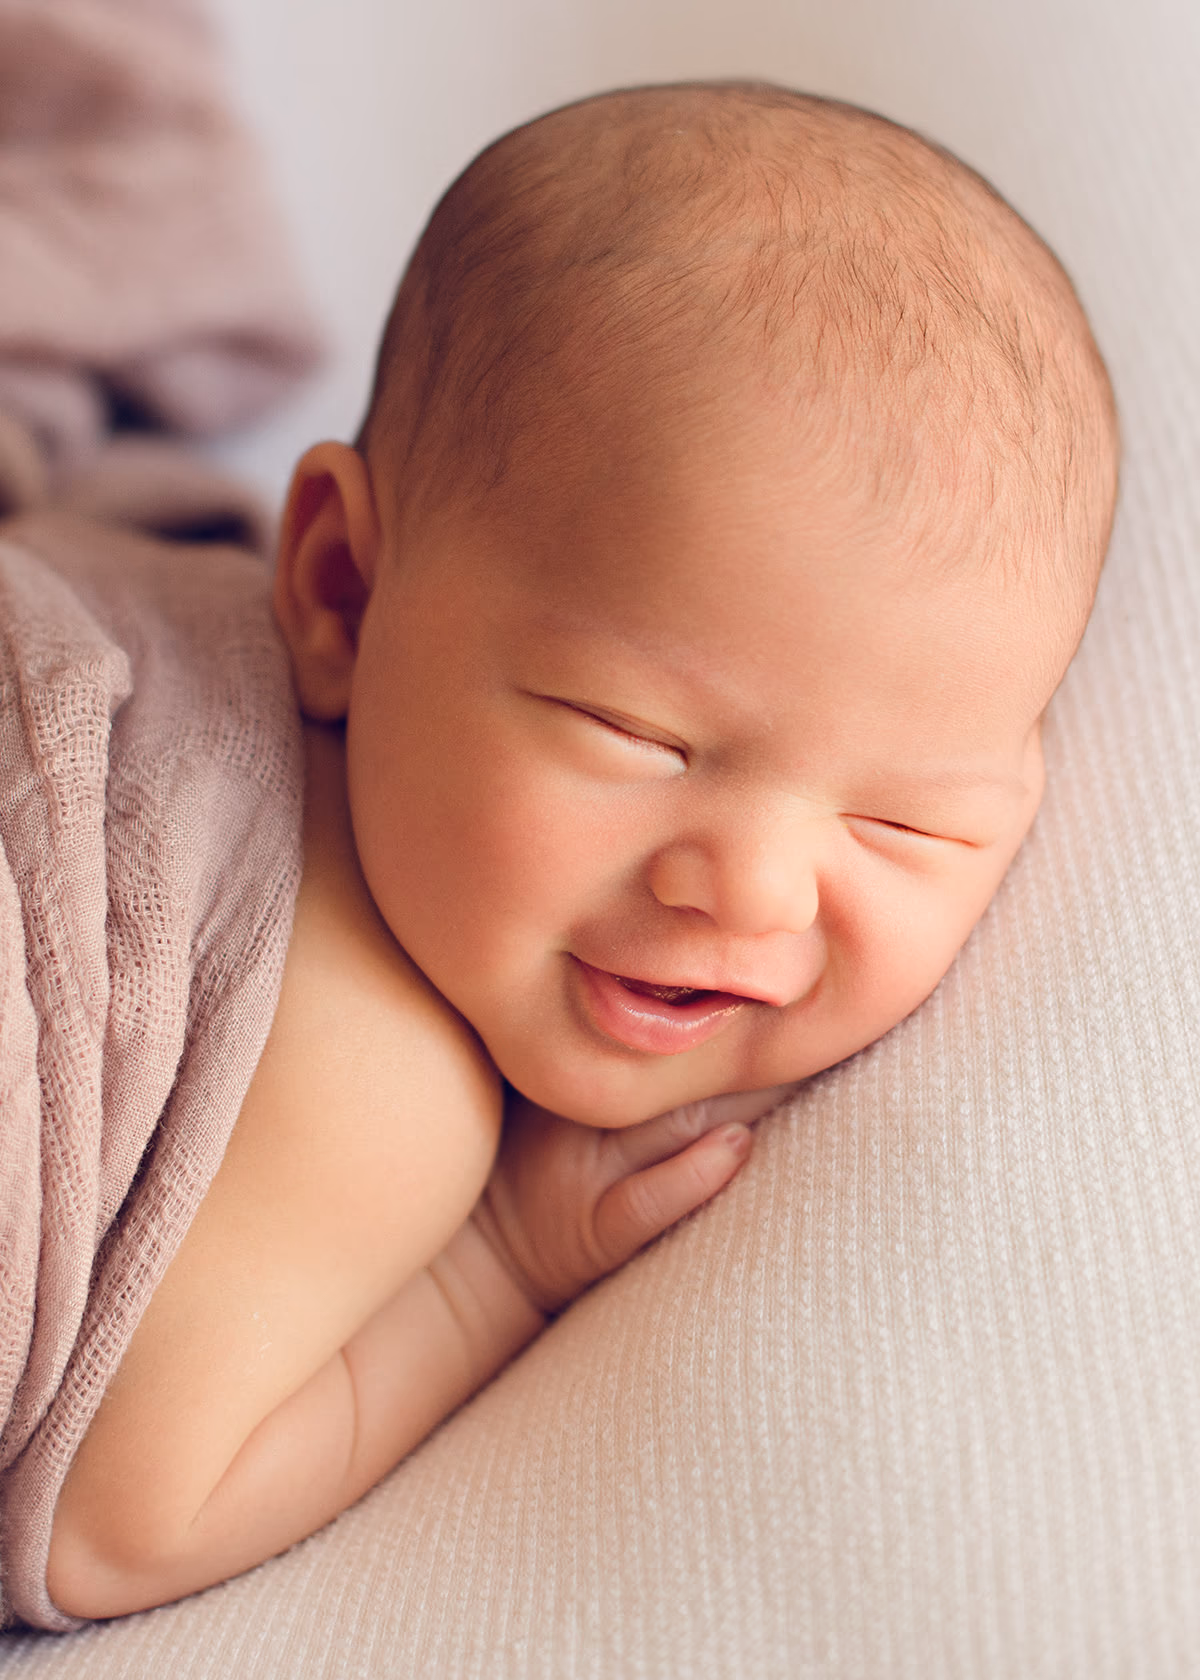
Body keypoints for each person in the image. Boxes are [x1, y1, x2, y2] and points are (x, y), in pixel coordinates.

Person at [46, 80, 1119, 1619]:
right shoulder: (377, 1085)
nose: (748, 888)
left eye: (905, 818)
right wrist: (493, 1264)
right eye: (638, 735)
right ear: (341, 590)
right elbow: (109, 1529)